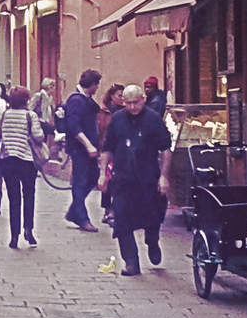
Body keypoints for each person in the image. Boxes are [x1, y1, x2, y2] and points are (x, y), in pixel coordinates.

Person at [99, 84, 173, 276]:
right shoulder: (117, 119)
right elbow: (107, 147)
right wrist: (102, 174)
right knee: (121, 219)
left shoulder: (153, 119)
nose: (132, 107)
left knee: (152, 216)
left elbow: (166, 149)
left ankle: (152, 240)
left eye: (135, 102)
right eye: (128, 103)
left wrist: (164, 176)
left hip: (147, 177)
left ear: (143, 100)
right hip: (122, 178)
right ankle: (131, 261)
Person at [0, 87, 44, 248]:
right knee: (29, 195)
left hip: (8, 159)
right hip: (26, 160)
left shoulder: (4, 115)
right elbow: (38, 136)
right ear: (26, 100)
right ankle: (28, 230)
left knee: (13, 198)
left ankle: (14, 235)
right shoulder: (30, 116)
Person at [60, 69, 102, 231]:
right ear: (92, 84)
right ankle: (81, 217)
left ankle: (74, 211)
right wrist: (88, 145)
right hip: (80, 149)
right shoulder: (76, 101)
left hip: (88, 149)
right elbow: (74, 126)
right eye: (96, 84)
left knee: (92, 177)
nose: (97, 88)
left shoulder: (86, 99)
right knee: (80, 181)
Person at [96, 84, 126, 225]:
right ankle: (107, 209)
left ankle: (115, 209)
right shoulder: (104, 111)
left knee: (117, 180)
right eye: (119, 95)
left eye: (123, 95)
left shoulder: (126, 111)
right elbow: (100, 130)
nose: (121, 98)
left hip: (121, 150)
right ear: (112, 96)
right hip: (107, 149)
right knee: (107, 179)